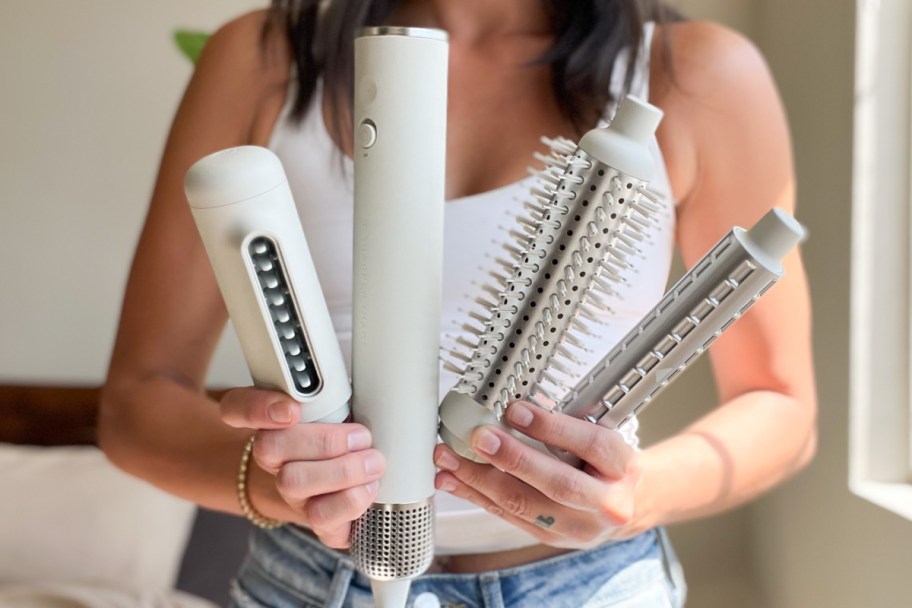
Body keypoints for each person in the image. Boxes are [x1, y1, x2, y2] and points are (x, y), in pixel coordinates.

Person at [99, 0, 817, 606]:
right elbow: (135, 405)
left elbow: (783, 405)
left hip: (589, 584)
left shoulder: (692, 72)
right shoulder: (262, 59)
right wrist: (276, 479)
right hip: (311, 579)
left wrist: (634, 493)